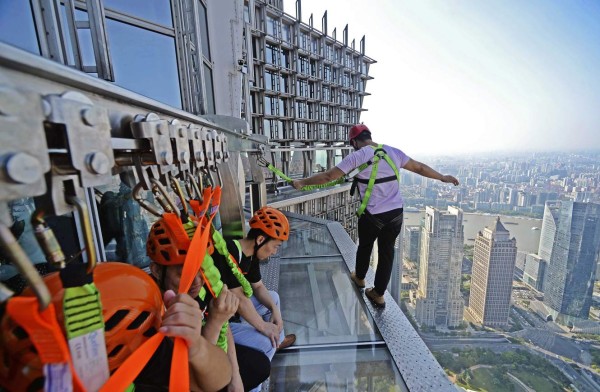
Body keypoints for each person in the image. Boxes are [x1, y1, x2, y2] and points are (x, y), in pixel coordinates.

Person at [292, 124, 459, 308]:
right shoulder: (393, 152)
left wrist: (301, 183)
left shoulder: (358, 155)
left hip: (372, 214)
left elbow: (328, 176)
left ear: (354, 142)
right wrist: (443, 177)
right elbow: (419, 167)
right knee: (387, 252)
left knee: (365, 246)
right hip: (396, 213)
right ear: (369, 136)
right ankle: (378, 294)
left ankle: (360, 278)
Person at [147, 213, 271, 392]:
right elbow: (195, 378)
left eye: (201, 270)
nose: (197, 281)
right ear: (157, 271)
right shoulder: (152, 312)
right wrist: (215, 321)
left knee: (259, 364)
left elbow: (224, 327)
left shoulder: (196, 288)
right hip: (185, 375)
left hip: (207, 348)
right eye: (184, 273)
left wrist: (235, 378)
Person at [213, 207, 296, 362]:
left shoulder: (251, 256)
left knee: (274, 298)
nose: (274, 252)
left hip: (235, 310)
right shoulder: (229, 252)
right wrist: (263, 327)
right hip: (222, 321)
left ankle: (278, 339)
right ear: (260, 240)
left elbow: (258, 287)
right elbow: (239, 298)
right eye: (275, 246)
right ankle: (271, 346)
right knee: (267, 344)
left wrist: (275, 310)